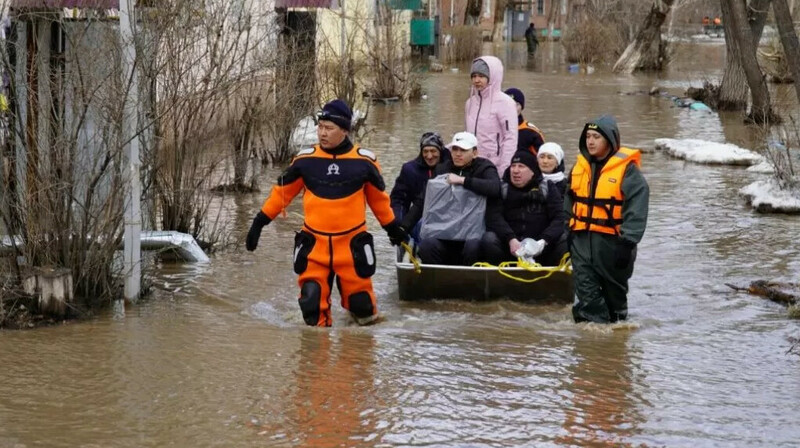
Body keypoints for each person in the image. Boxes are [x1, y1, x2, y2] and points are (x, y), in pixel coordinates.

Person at [245, 99, 407, 327]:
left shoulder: (365, 162)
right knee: (311, 307)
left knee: (364, 311)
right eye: (320, 127)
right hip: (315, 245)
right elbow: (281, 194)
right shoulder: (305, 160)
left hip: (351, 246)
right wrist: (259, 223)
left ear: (344, 130)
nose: (322, 133)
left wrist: (392, 228)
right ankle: (316, 359)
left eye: (329, 128)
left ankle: (355, 355)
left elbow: (378, 201)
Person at [565, 115, 649, 324]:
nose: (590, 141)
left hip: (614, 244)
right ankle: (591, 342)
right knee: (586, 291)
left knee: (615, 300)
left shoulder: (628, 171)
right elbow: (568, 201)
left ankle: (613, 336)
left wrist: (628, 241)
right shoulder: (579, 168)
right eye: (588, 136)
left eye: (596, 137)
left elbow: (637, 208)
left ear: (610, 140)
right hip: (582, 241)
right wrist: (567, 231)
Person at [402, 131, 501, 266]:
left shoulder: (485, 168)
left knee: (474, 245)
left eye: (463, 150)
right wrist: (403, 228)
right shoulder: (442, 169)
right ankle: (439, 279)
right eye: (455, 149)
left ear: (474, 152)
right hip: (445, 234)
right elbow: (423, 200)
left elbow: (495, 187)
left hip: (473, 234)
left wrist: (463, 181)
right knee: (426, 245)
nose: (458, 154)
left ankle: (471, 280)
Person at [481, 150, 567, 266]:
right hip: (510, 247)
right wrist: (510, 239)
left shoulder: (547, 187)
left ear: (532, 171)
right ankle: (498, 275)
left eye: (521, 167)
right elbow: (494, 217)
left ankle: (554, 274)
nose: (515, 171)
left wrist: (544, 241)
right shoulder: (502, 188)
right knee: (489, 239)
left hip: (541, 247)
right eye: (513, 166)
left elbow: (559, 218)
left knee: (565, 238)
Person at [389, 132, 450, 240]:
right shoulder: (410, 170)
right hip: (418, 219)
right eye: (425, 151)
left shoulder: (452, 166)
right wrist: (399, 222)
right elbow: (399, 199)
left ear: (440, 151)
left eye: (433, 151)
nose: (429, 156)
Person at [465, 55, 518, 174]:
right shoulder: (470, 103)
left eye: (481, 76)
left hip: (494, 166)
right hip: (472, 165)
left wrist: (504, 171)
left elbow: (510, 139)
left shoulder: (505, 103)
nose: (476, 80)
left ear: (492, 77)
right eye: (474, 76)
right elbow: (467, 136)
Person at [504, 87, 546, 156]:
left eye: (516, 104)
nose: (511, 108)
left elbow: (543, 159)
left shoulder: (531, 132)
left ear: (522, 107)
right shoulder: (492, 127)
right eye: (507, 104)